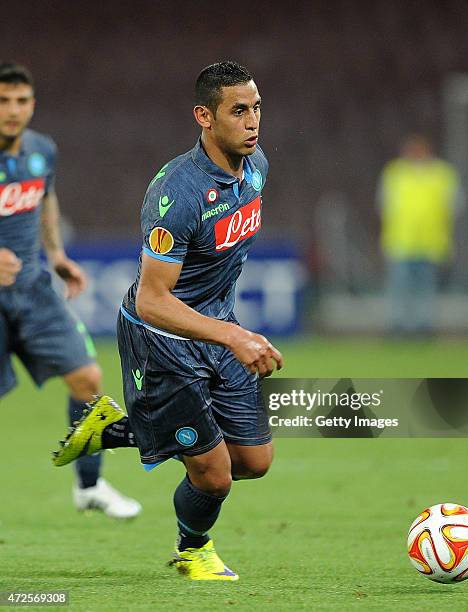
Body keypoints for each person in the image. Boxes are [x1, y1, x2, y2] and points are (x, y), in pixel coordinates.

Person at [53, 60, 283, 581]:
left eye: (257, 109)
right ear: (204, 116)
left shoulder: (256, 167)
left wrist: (227, 329)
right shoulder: (175, 194)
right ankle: (192, 551)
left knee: (255, 462)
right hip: (160, 339)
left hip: (218, 331)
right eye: (239, 111)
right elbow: (154, 300)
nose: (253, 123)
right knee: (214, 475)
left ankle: (114, 430)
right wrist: (233, 334)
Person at [0, 62, 141, 519]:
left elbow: (46, 197)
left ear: (32, 104)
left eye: (21, 101)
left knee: (88, 380)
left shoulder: (42, 150)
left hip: (34, 291)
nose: (12, 110)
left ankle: (90, 485)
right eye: (3, 101)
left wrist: (56, 254)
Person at [378, 133, 461, 336]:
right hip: (401, 240)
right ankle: (400, 327)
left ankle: (424, 327)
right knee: (400, 288)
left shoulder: (441, 174)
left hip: (430, 241)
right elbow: (383, 204)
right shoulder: (395, 173)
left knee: (425, 289)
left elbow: (454, 205)